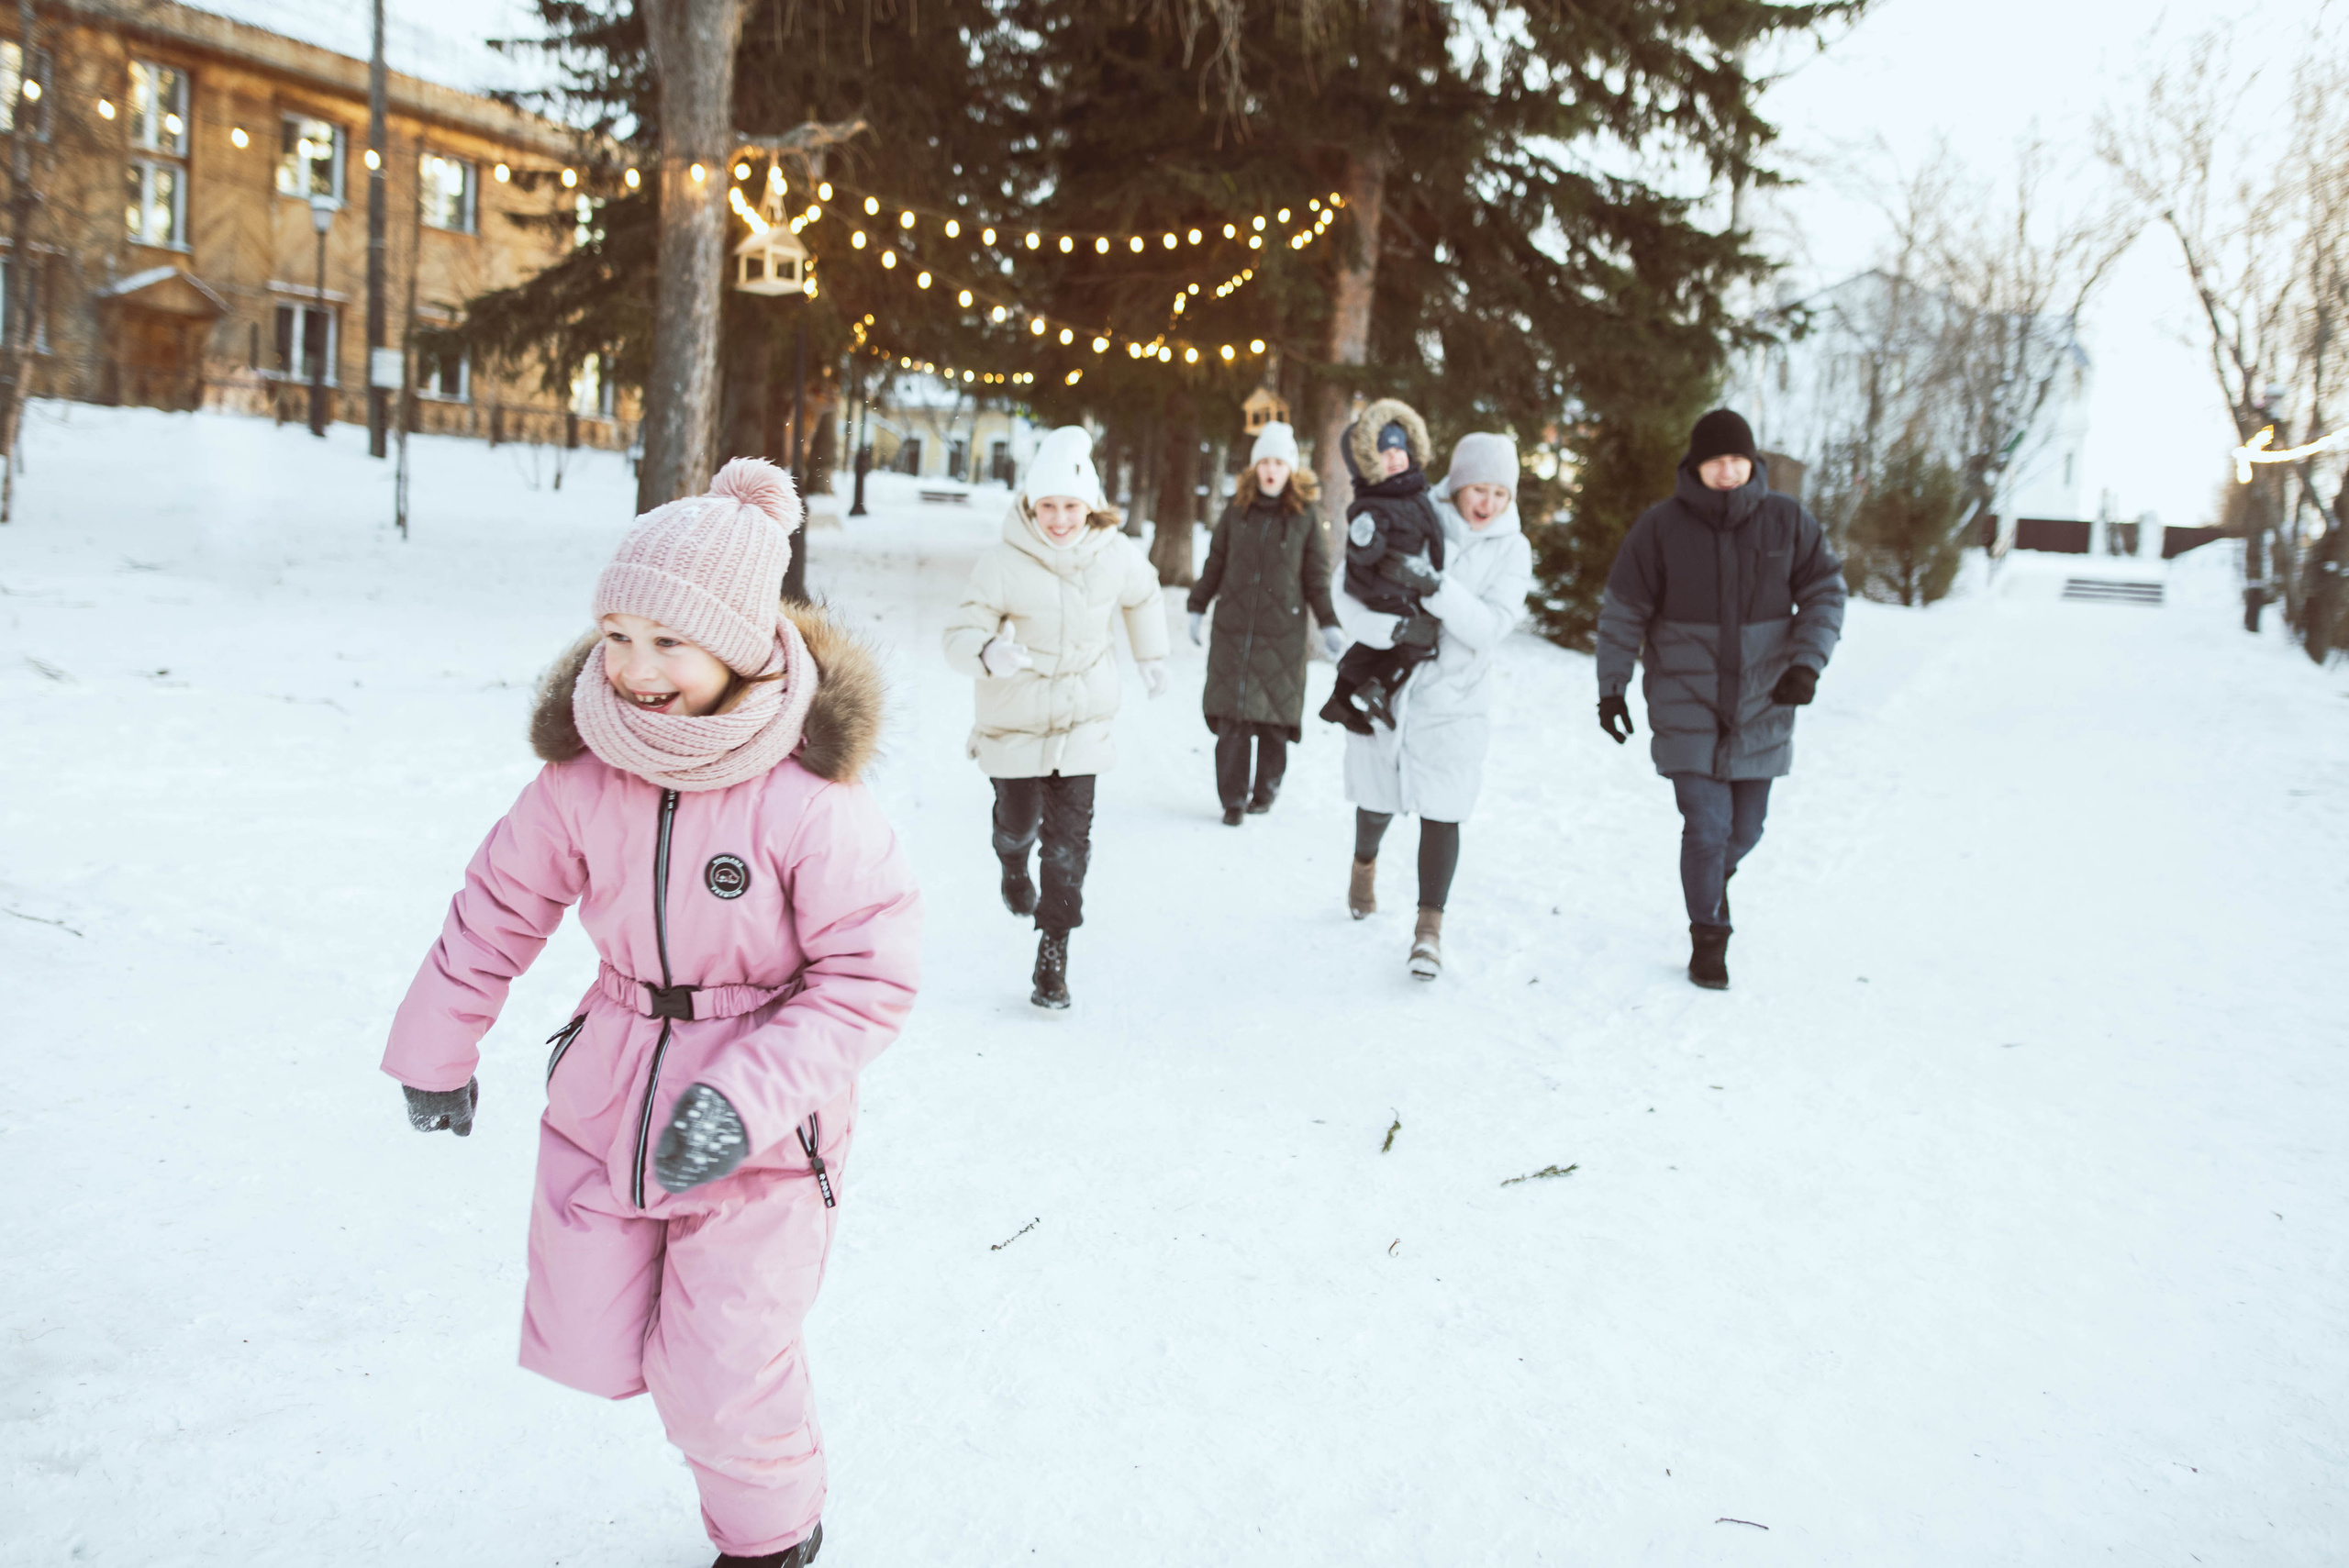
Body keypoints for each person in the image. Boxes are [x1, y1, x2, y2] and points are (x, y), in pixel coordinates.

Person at [382, 458, 922, 1568]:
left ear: (740, 641)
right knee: (586, 1332)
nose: (633, 668)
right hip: (614, 1087)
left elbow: (867, 977)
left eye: (669, 641)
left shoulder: (809, 801)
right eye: (617, 633)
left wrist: (746, 1095)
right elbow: (497, 906)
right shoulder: (586, 776)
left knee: (720, 1363)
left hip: (761, 1127)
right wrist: (438, 1046)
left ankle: (770, 1538)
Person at [1595, 408, 1846, 990]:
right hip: (1686, 698)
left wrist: (1807, 664)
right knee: (1706, 826)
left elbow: (1825, 593)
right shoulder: (1659, 529)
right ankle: (1709, 938)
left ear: (1752, 462)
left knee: (1746, 829)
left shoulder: (1788, 521)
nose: (1728, 472)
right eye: (1716, 462)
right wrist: (1612, 688)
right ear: (1696, 466)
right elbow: (1622, 614)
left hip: (1765, 700)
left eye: (1738, 460)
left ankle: (1711, 878)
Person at [943, 426, 1170, 1009]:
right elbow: (959, 633)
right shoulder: (1002, 562)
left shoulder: (1114, 555)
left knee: (1069, 847)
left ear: (1089, 507)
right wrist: (988, 651)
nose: (1060, 519)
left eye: (1071, 506)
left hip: (1082, 726)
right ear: (1030, 505)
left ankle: (1054, 950)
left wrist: (1152, 657)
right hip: (1014, 724)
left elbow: (1144, 595)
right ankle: (1012, 863)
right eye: (1048, 505)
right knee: (1017, 825)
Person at [1335, 430, 1533, 980]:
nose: (1487, 504)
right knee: (1376, 802)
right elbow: (1346, 586)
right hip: (1390, 685)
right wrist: (1389, 626)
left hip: (1457, 699)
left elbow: (1490, 627)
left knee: (1444, 813)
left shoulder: (1513, 549)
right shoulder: (1416, 511)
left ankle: (1428, 930)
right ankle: (1364, 864)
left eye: (1500, 493)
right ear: (1458, 484)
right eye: (1478, 489)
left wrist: (1437, 589)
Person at [1186, 419, 1343, 825]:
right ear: (1255, 467)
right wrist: (1197, 604)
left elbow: (1316, 577)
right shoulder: (1237, 510)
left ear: (1291, 468)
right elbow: (1215, 561)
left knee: (1274, 720)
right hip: (1234, 632)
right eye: (1264, 462)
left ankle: (1265, 792)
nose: (1271, 470)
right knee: (1234, 719)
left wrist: (1328, 623)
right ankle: (1233, 800)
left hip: (1282, 635)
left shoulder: (1306, 516)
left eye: (1279, 462)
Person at [1317, 399, 1445, 732]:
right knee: (1417, 640)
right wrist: (1367, 541)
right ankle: (1378, 687)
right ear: (1369, 462)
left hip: (1399, 582)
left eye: (1399, 450)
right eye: (1384, 454)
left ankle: (1342, 697)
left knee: (1377, 644)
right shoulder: (1374, 502)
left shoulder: (1414, 491)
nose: (1394, 458)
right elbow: (1363, 548)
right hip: (1384, 585)